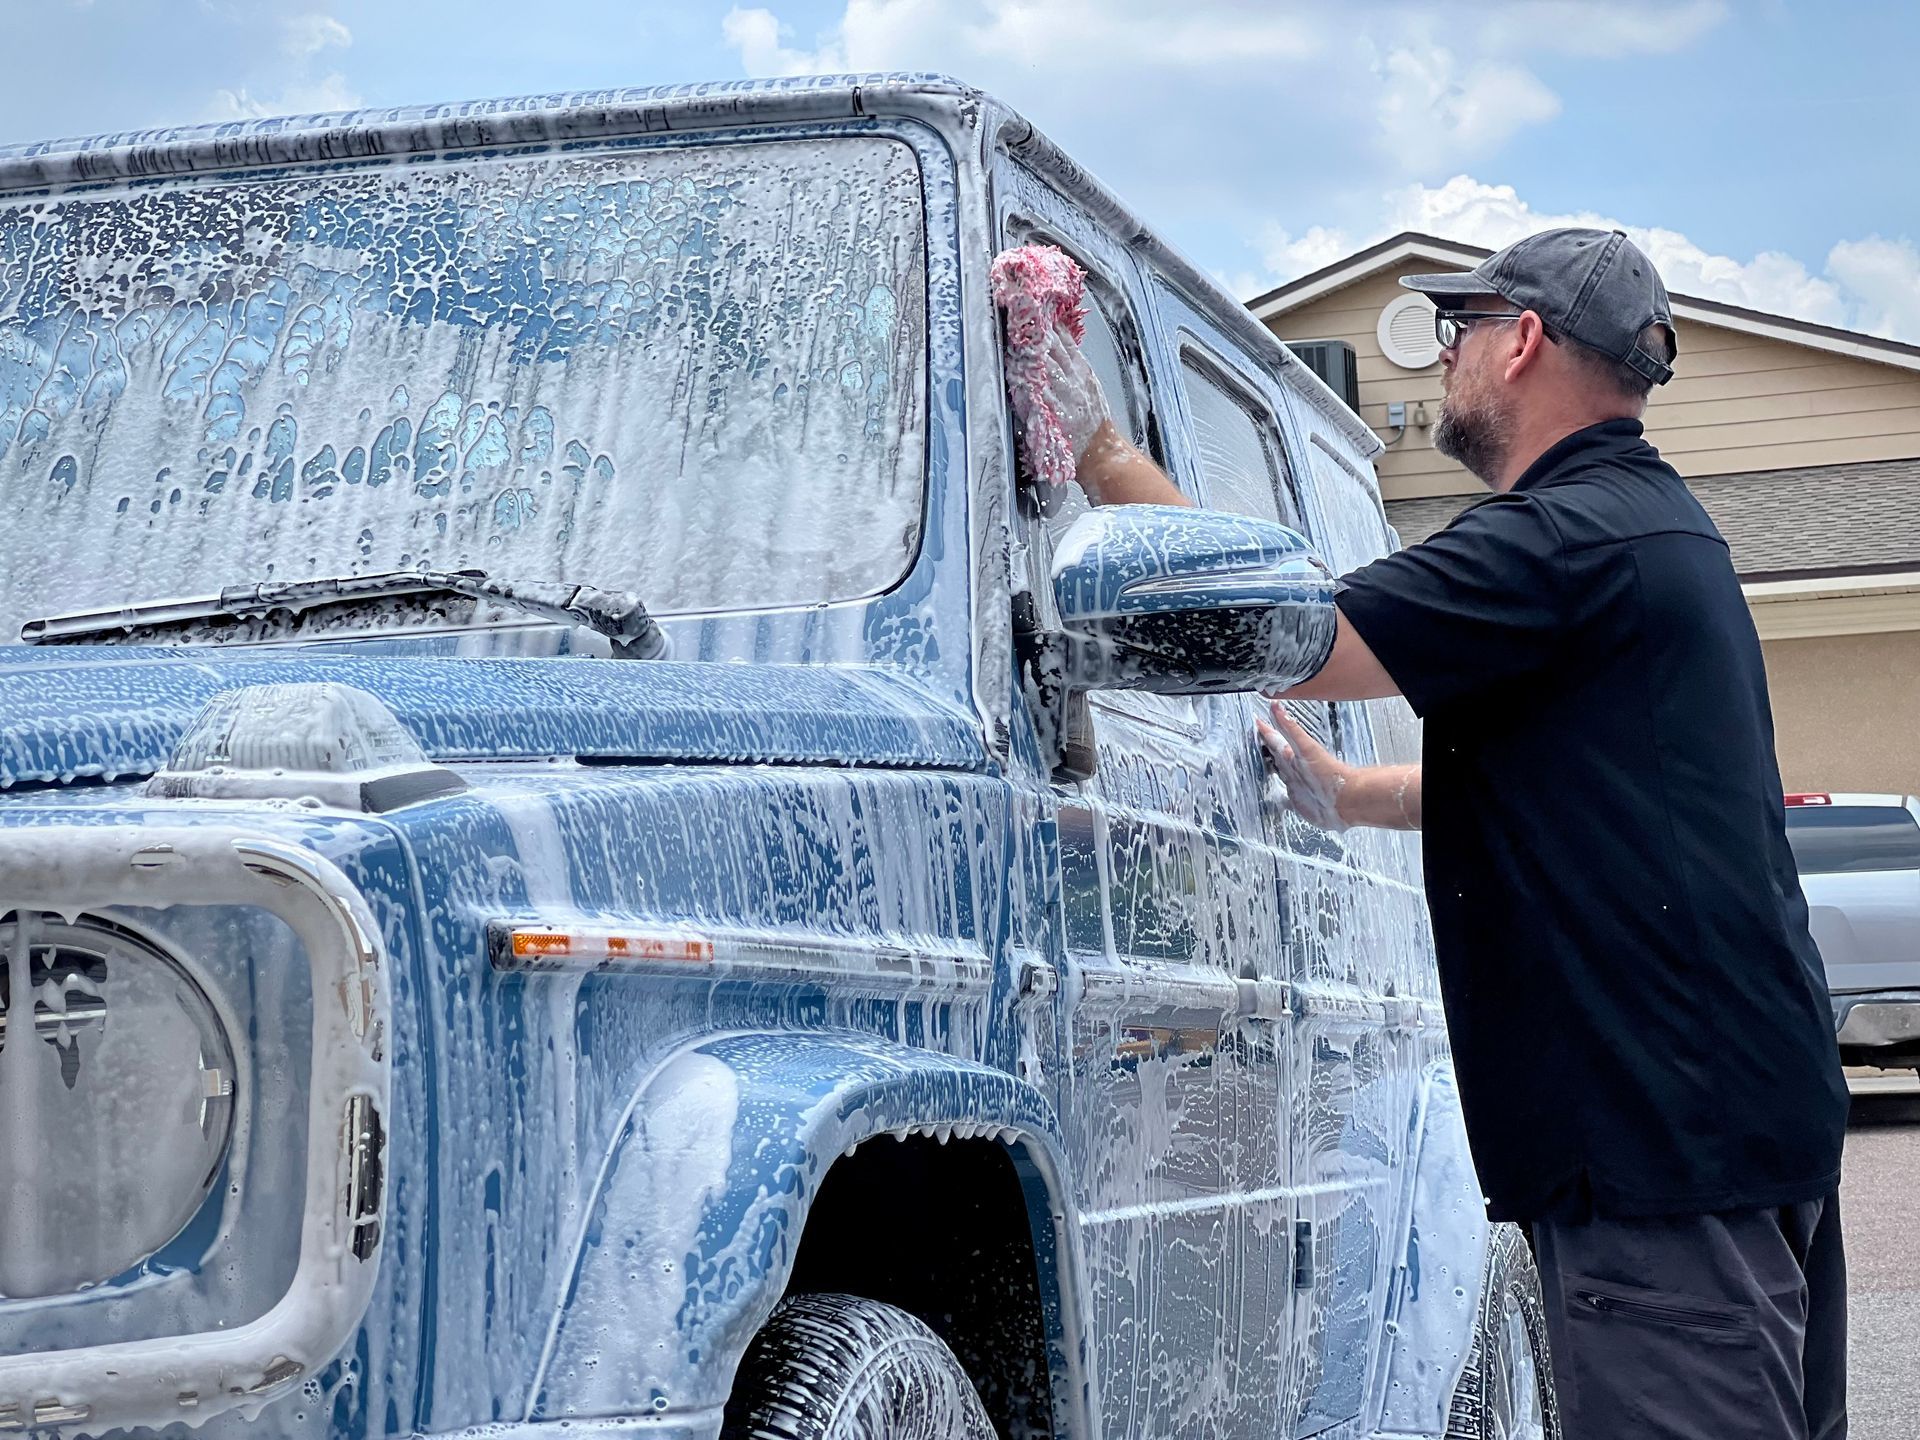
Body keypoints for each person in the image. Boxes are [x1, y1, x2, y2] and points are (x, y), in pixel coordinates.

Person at [1058, 228, 1849, 1440]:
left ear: (1522, 341)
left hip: (1667, 1155)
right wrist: (1348, 793)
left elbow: (1284, 627)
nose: (1444, 364)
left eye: (1455, 332)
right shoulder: (1650, 532)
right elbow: (1575, 777)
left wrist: (1096, 448)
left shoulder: (1561, 542)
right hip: (1728, 1130)